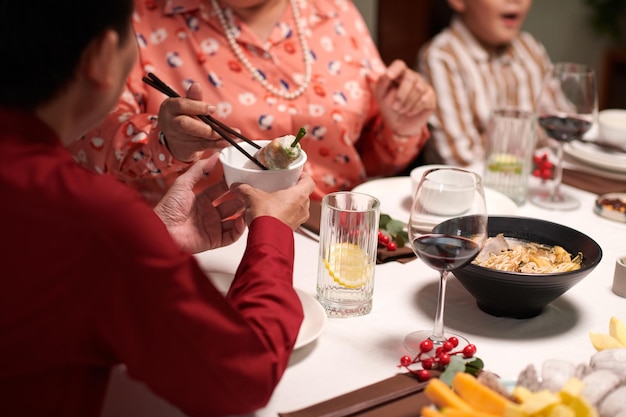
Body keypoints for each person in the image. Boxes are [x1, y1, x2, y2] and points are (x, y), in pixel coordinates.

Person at [0, 0, 315, 416]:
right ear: (100, 57)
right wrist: (273, 231)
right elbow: (242, 379)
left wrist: (151, 237)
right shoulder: (90, 217)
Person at [69, 0, 437, 204]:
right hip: (209, 249)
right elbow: (84, 140)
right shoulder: (145, 16)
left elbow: (370, 160)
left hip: (334, 242)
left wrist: (399, 127)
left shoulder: (336, 13)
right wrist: (162, 142)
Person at [418, 0, 552, 169]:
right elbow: (462, 159)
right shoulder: (442, 58)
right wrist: (536, 140)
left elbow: (562, 135)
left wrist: (486, 140)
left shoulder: (531, 49)